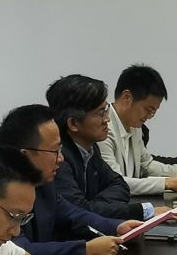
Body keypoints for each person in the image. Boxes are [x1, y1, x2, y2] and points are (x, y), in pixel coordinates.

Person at [0, 101, 143, 255]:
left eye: (61, 149)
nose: (61, 158)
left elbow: (73, 215)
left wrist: (117, 226)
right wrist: (85, 250)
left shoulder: (43, 184)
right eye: (55, 151)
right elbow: (19, 251)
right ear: (25, 156)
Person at [101, 63, 177, 197]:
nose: (150, 116)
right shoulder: (103, 129)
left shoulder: (133, 126)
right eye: (148, 109)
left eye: (154, 111)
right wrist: (167, 183)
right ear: (127, 97)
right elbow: (117, 183)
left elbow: (146, 165)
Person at [47, 73, 143, 219]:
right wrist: (90, 208)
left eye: (106, 110)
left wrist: (92, 206)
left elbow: (119, 184)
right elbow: (77, 211)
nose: (107, 119)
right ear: (73, 123)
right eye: (100, 113)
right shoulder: (58, 159)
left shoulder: (90, 148)